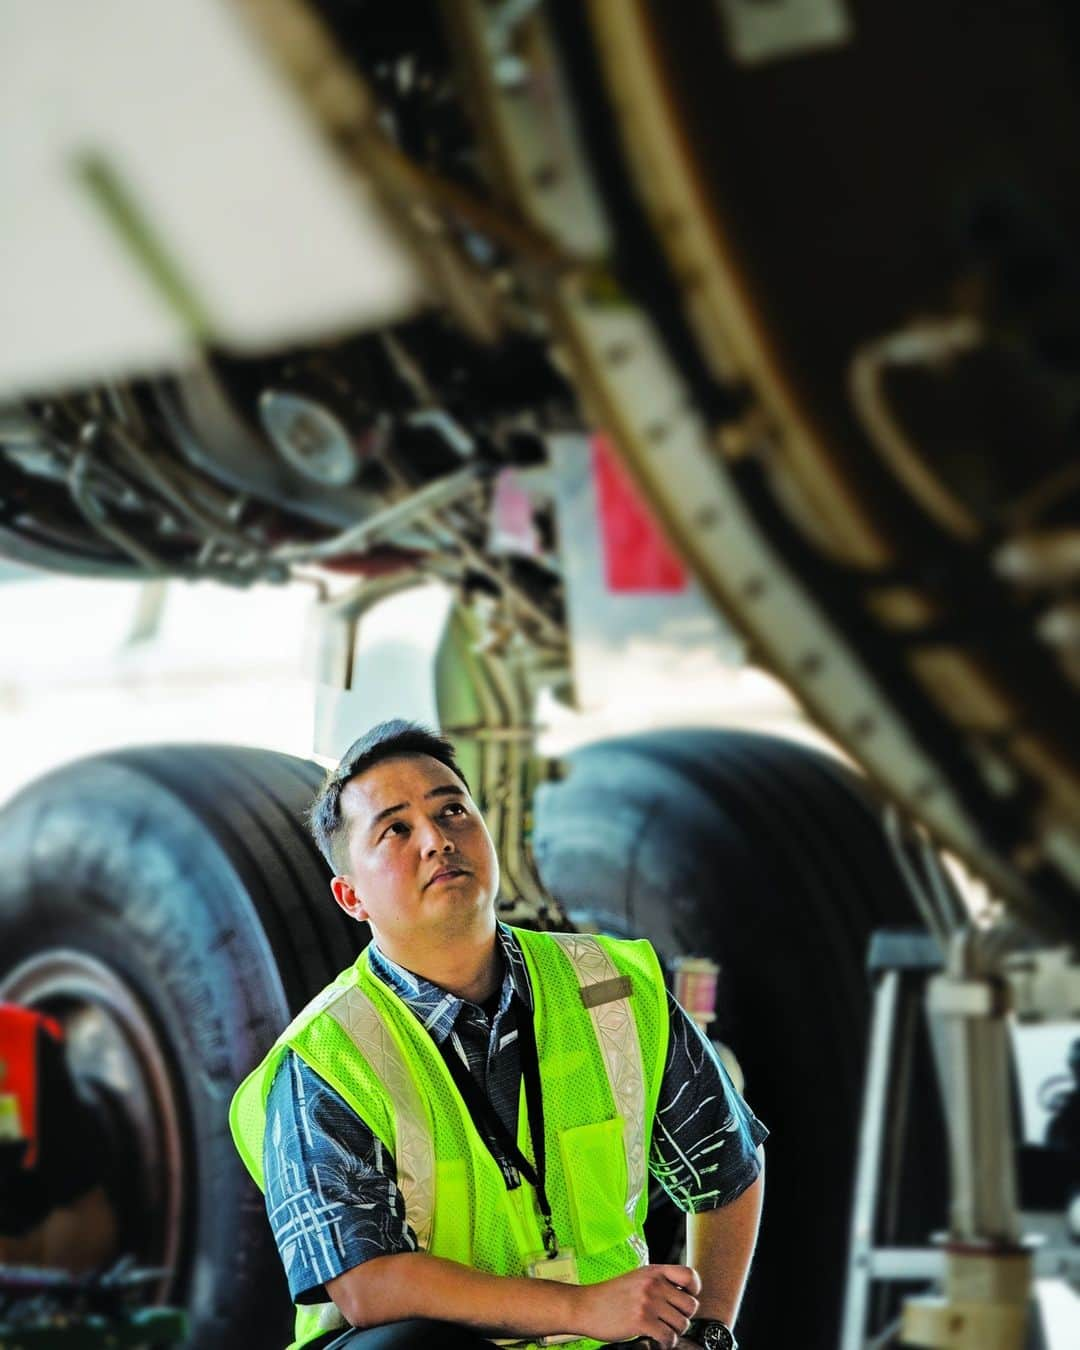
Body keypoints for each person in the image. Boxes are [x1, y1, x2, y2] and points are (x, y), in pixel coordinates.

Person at [230, 721, 767, 1350]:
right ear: (351, 898)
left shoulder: (611, 986)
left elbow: (729, 1170)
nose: (436, 839)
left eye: (453, 810)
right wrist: (581, 1306)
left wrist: (708, 1331)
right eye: (395, 829)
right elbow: (367, 1288)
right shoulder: (326, 1057)